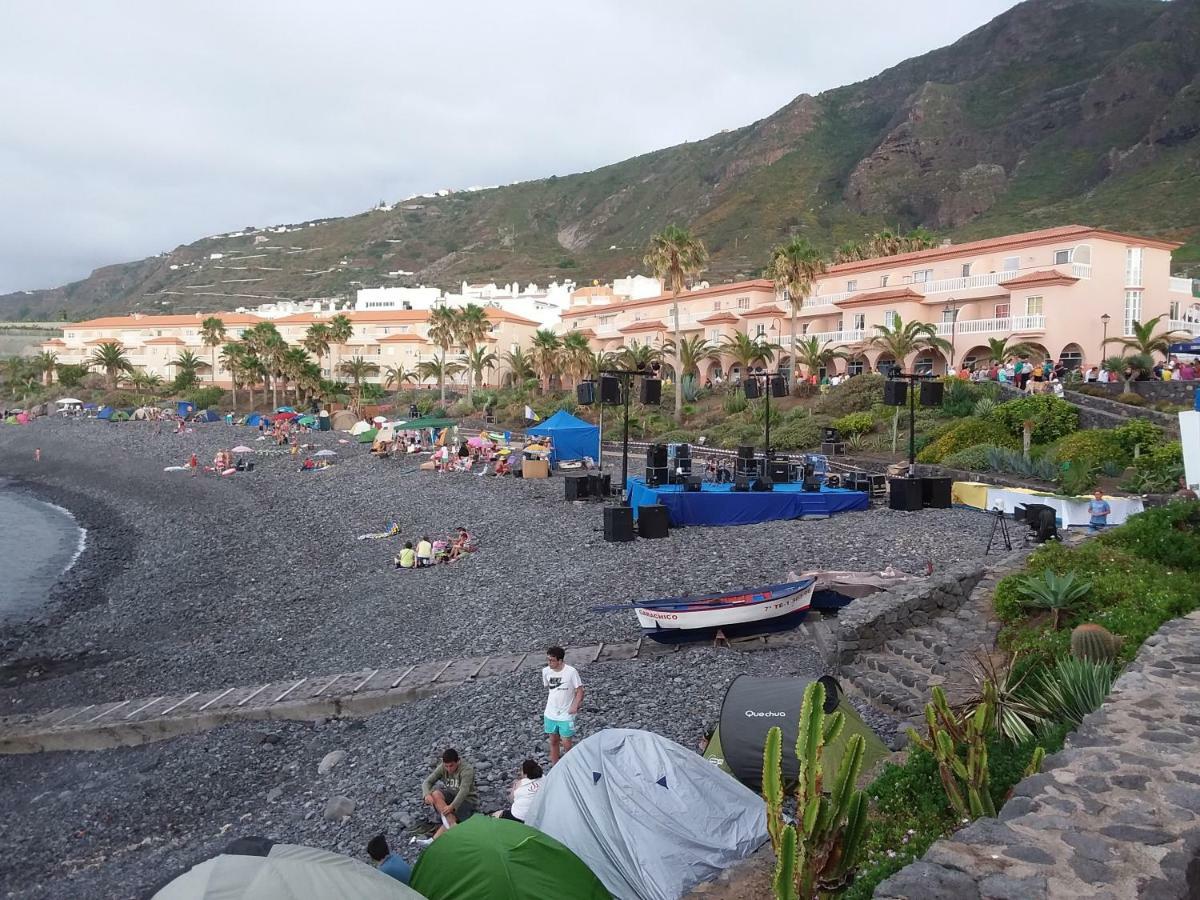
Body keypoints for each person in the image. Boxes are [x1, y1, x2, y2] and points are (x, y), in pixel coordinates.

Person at [420, 748, 477, 839]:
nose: (449, 769)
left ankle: (436, 838)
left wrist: (452, 806)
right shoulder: (443, 767)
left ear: (458, 761)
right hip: (452, 796)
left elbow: (464, 791)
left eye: (451, 766)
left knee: (448, 814)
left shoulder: (467, 770)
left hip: (467, 801)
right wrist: (426, 794)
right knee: (435, 794)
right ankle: (452, 824)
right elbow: (427, 782)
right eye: (446, 766)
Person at [542, 645, 584, 764]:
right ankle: (555, 766)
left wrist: (575, 705)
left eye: (552, 660)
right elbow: (549, 689)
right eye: (548, 659)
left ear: (560, 660)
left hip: (566, 713)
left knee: (566, 743)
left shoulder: (571, 672)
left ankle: (570, 765)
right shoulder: (545, 672)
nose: (549, 662)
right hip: (550, 713)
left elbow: (580, 690)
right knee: (553, 740)